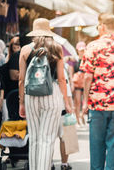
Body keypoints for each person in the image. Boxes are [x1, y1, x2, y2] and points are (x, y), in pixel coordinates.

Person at [18, 18, 72, 170]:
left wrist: (21, 102)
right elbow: (61, 78)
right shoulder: (57, 48)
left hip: (30, 94)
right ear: (49, 31)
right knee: (47, 139)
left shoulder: (25, 50)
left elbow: (21, 79)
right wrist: (66, 102)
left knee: (34, 138)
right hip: (52, 94)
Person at [80, 13, 114, 170]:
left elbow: (87, 76)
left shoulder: (93, 46)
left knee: (96, 145)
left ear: (101, 26)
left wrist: (85, 101)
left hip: (97, 104)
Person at [72, 41, 86, 125]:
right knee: (77, 101)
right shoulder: (75, 60)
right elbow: (71, 71)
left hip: (85, 83)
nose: (82, 52)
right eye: (80, 50)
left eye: (83, 50)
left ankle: (82, 115)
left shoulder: (87, 59)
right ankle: (77, 117)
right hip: (77, 83)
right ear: (77, 50)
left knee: (85, 101)